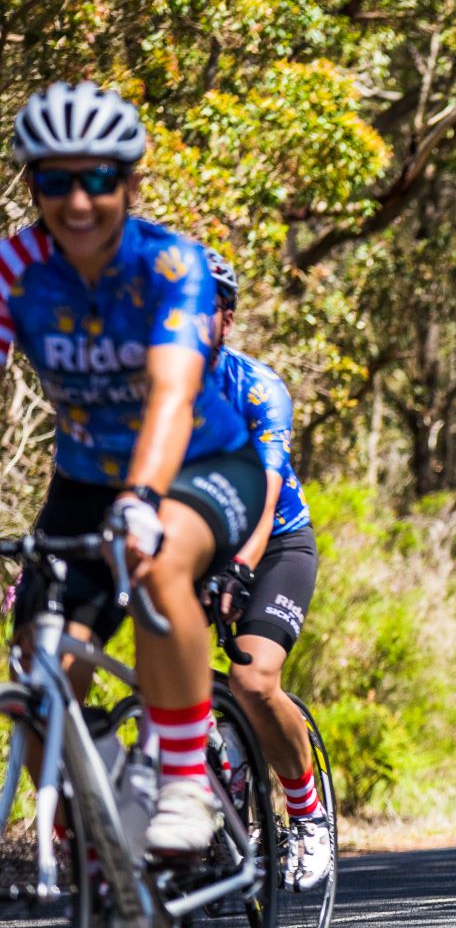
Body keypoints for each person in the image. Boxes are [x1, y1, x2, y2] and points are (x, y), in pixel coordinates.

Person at [3, 82, 265, 852]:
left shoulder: (169, 265)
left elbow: (171, 395)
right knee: (38, 663)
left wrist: (144, 497)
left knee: (159, 565)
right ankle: (105, 808)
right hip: (86, 481)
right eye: (56, 180)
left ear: (130, 183)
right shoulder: (16, 269)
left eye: (98, 179)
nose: (77, 201)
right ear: (32, 187)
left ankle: (184, 779)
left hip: (201, 463)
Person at [205, 250, 331, 889]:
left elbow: (266, 485)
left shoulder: (258, 388)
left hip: (276, 544)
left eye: (203, 311)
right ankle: (218, 788)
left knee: (253, 681)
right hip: (197, 546)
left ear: (226, 318)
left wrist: (240, 567)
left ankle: (308, 816)